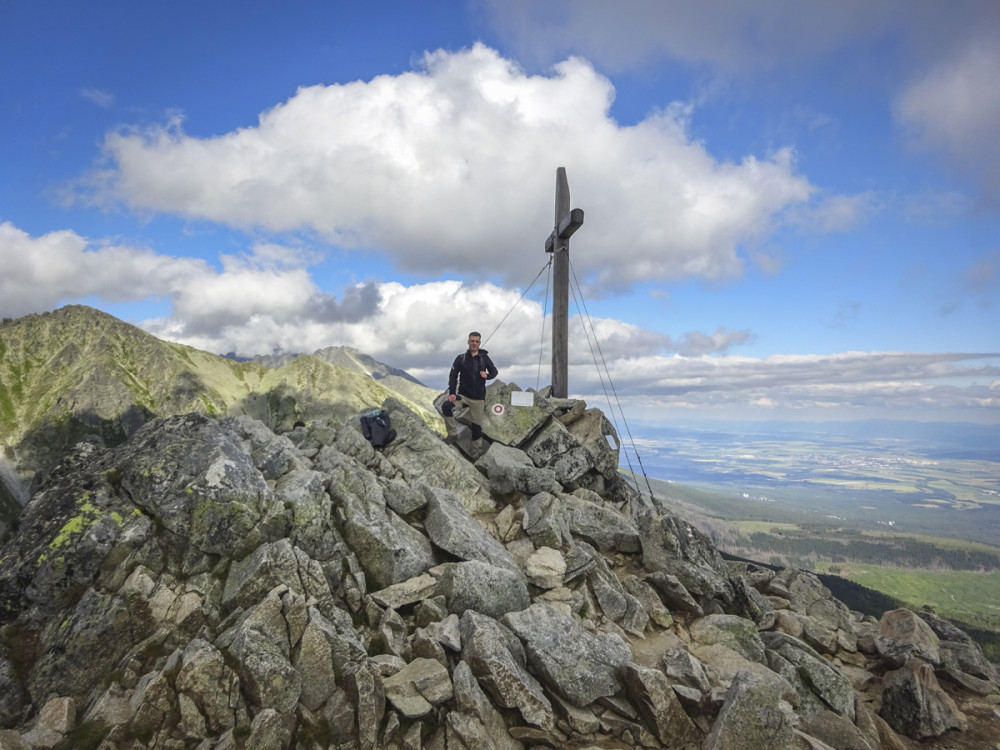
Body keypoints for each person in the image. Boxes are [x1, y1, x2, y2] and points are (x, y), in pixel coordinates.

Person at [443, 331, 498, 457]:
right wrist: (452, 393)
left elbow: (494, 371)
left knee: (477, 427)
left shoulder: (484, 358)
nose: (474, 343)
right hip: (463, 396)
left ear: (479, 343)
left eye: (476, 341)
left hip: (478, 399)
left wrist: (487, 375)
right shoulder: (460, 358)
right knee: (446, 406)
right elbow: (453, 376)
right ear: (468, 342)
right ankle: (452, 434)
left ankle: (475, 454)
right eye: (472, 341)